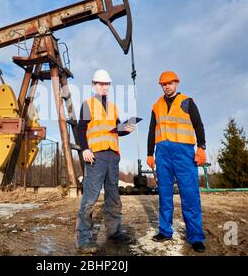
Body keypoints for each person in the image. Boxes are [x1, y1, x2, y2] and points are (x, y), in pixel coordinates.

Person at [76, 69, 136, 254]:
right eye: (100, 84)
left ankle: (114, 231)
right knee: (90, 199)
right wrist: (85, 149)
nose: (103, 87)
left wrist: (126, 129)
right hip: (96, 156)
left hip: (112, 156)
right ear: (94, 85)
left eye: (106, 84)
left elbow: (115, 129)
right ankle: (84, 238)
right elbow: (81, 128)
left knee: (113, 197)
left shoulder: (113, 107)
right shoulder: (87, 104)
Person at [146, 71, 207, 253]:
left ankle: (195, 236)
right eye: (164, 84)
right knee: (164, 194)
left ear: (176, 83)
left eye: (170, 83)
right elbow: (151, 131)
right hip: (163, 153)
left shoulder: (188, 101)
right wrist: (150, 153)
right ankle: (165, 231)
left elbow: (198, 125)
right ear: (161, 86)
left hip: (184, 153)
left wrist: (201, 147)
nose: (167, 86)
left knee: (190, 194)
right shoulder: (156, 106)